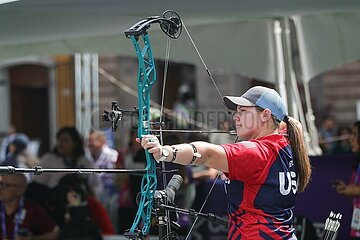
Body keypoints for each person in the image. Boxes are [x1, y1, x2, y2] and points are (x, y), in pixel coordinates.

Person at [138, 86, 312, 239]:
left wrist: (164, 152)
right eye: (237, 111)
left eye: (243, 111)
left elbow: (207, 154)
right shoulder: (286, 144)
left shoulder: (256, 152)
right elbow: (289, 124)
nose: (236, 117)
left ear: (265, 114)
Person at [32, 127, 102, 197]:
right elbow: (37, 183)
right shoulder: (49, 159)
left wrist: (91, 191)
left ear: (75, 142)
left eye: (65, 140)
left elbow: (97, 186)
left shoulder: (86, 162)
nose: (60, 143)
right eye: (59, 140)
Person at [0, 173, 59, 240]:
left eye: (5, 186)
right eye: (0, 184)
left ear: (20, 190)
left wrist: (34, 239)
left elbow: (56, 233)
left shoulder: (32, 210)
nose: (0, 189)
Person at [334, 121, 360, 239]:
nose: (351, 139)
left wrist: (356, 190)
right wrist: (347, 190)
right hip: (356, 228)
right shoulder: (357, 164)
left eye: (355, 134)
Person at [87, 129, 118, 227]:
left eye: (92, 141)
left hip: (110, 194)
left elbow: (112, 176)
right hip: (98, 193)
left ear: (101, 141)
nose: (89, 144)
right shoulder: (92, 156)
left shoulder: (111, 155)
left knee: (110, 221)